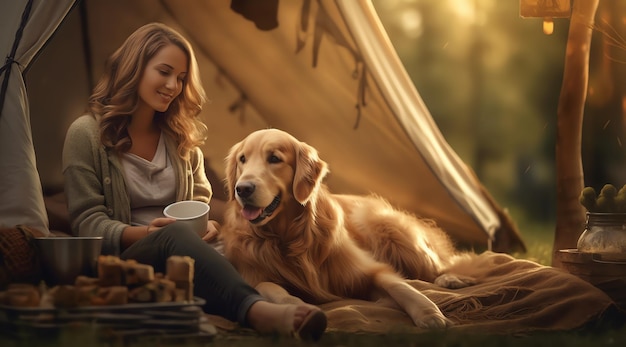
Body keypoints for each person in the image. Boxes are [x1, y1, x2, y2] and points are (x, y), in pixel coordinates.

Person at [62, 22, 326, 340]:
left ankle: (292, 299)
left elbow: (199, 199)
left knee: (247, 252)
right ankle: (256, 312)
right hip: (127, 261)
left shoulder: (179, 138)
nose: (173, 85)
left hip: (187, 251)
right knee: (175, 237)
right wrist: (145, 233)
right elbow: (87, 223)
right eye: (164, 72)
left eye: (182, 78)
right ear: (135, 67)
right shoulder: (86, 134)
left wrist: (209, 226)